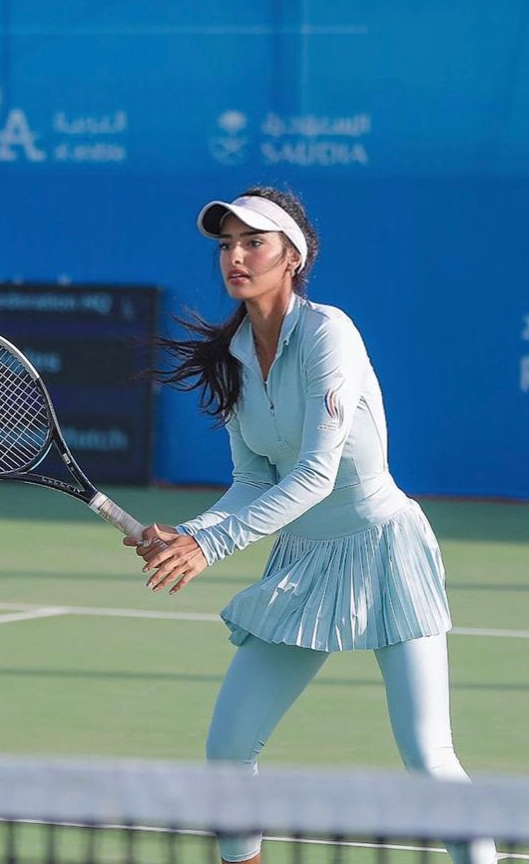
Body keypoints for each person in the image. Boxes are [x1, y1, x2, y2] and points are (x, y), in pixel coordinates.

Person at [123, 186, 496, 864]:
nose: (235, 256)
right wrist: (190, 531)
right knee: (228, 751)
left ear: (291, 257)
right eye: (225, 245)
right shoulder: (231, 356)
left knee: (428, 757)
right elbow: (253, 480)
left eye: (253, 242)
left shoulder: (331, 333)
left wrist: (212, 544)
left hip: (386, 548)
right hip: (304, 564)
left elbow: (319, 474)